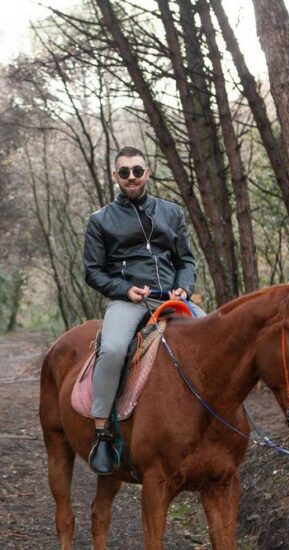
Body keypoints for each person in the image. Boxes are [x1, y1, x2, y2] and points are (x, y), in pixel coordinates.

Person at [83, 146, 205, 475]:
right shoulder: (100, 221)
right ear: (115, 176)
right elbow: (92, 271)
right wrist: (125, 290)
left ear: (147, 171)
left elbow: (186, 260)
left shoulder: (172, 213)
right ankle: (102, 433)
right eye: (124, 172)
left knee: (215, 339)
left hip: (172, 298)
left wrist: (185, 287)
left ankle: (217, 424)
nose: (132, 177)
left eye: (137, 170)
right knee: (111, 350)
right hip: (128, 299)